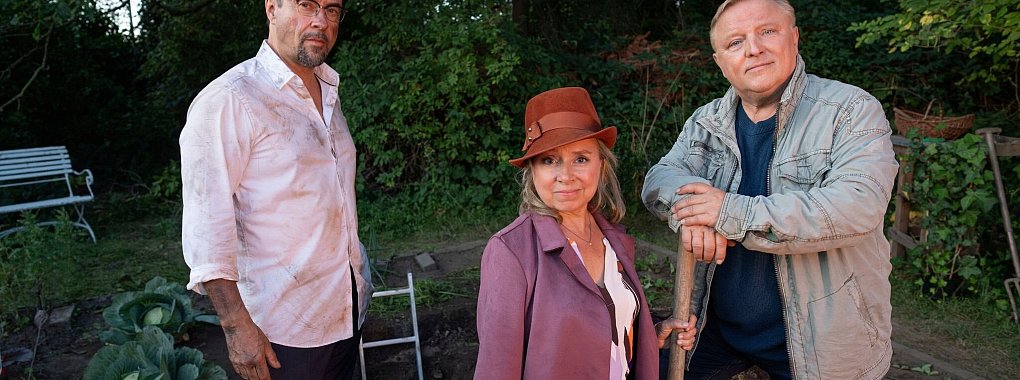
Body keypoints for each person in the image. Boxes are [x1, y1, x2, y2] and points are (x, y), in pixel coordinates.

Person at [641, 0, 899, 379]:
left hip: (820, 346)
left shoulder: (850, 110)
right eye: (735, 42)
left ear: (794, 38)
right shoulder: (706, 121)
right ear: (720, 62)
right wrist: (691, 214)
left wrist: (727, 213)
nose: (753, 48)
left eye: (767, 31)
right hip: (716, 328)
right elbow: (660, 177)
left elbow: (858, 206)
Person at [179, 1, 372, 379]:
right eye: (306, 5)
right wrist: (236, 328)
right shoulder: (230, 100)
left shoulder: (329, 90)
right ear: (272, 8)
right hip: (280, 333)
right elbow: (206, 229)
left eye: (332, 9)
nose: (321, 20)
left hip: (345, 308)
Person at [474, 87, 697, 380]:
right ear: (532, 170)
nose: (565, 175)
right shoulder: (510, 252)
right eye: (549, 160)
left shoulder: (614, 241)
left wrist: (648, 335)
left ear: (600, 166)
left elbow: (599, 330)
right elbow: (496, 369)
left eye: (580, 158)